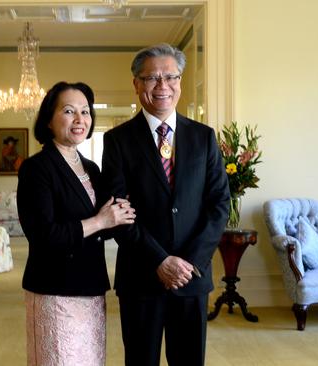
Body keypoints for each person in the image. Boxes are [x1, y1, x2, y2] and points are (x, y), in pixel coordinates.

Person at [101, 43, 230, 365]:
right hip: (141, 277)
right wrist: (160, 260)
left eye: (170, 76)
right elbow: (118, 213)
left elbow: (219, 205)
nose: (162, 86)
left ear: (180, 81)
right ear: (136, 84)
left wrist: (188, 263)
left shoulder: (204, 137)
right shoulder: (117, 141)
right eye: (151, 78)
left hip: (192, 275)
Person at [17, 81, 136, 366]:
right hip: (55, 290)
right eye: (69, 111)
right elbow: (44, 234)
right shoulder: (36, 169)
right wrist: (99, 220)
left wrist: (119, 215)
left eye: (85, 111)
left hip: (91, 287)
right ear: (48, 119)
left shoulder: (92, 169)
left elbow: (100, 229)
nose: (80, 119)